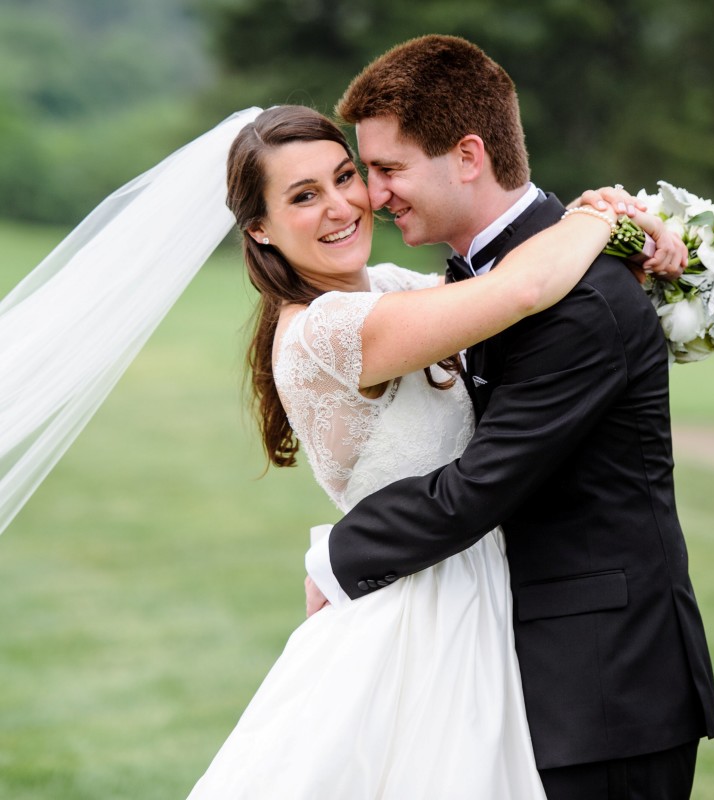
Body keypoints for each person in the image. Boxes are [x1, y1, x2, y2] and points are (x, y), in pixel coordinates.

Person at [180, 102, 681, 799]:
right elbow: (522, 287)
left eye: (345, 176)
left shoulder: (391, 289)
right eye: (303, 196)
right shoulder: (325, 333)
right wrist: (598, 218)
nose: (342, 206)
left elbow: (505, 274)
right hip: (416, 616)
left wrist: (624, 223)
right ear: (259, 229)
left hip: (486, 593)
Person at [304, 35, 714, 799]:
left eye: (389, 169)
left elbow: (484, 484)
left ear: (468, 156)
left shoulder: (584, 300)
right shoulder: (478, 279)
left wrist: (337, 557)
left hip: (603, 683)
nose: (373, 194)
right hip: (513, 665)